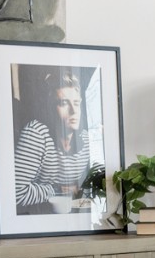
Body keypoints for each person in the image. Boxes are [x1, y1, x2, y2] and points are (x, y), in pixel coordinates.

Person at [12, 67, 97, 213]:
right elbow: (15, 193)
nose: (73, 111)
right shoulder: (36, 134)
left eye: (76, 103)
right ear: (51, 107)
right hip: (35, 219)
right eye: (64, 103)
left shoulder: (86, 139)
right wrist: (57, 190)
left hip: (71, 218)